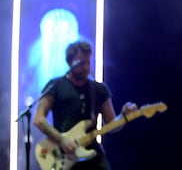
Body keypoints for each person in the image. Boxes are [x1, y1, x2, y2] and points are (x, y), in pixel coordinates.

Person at [33, 39, 138, 170]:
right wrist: (62, 139)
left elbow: (112, 125)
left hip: (93, 157)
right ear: (70, 62)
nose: (86, 68)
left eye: (88, 62)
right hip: (64, 155)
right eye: (81, 63)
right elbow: (38, 119)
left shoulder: (99, 90)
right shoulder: (55, 86)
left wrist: (123, 117)